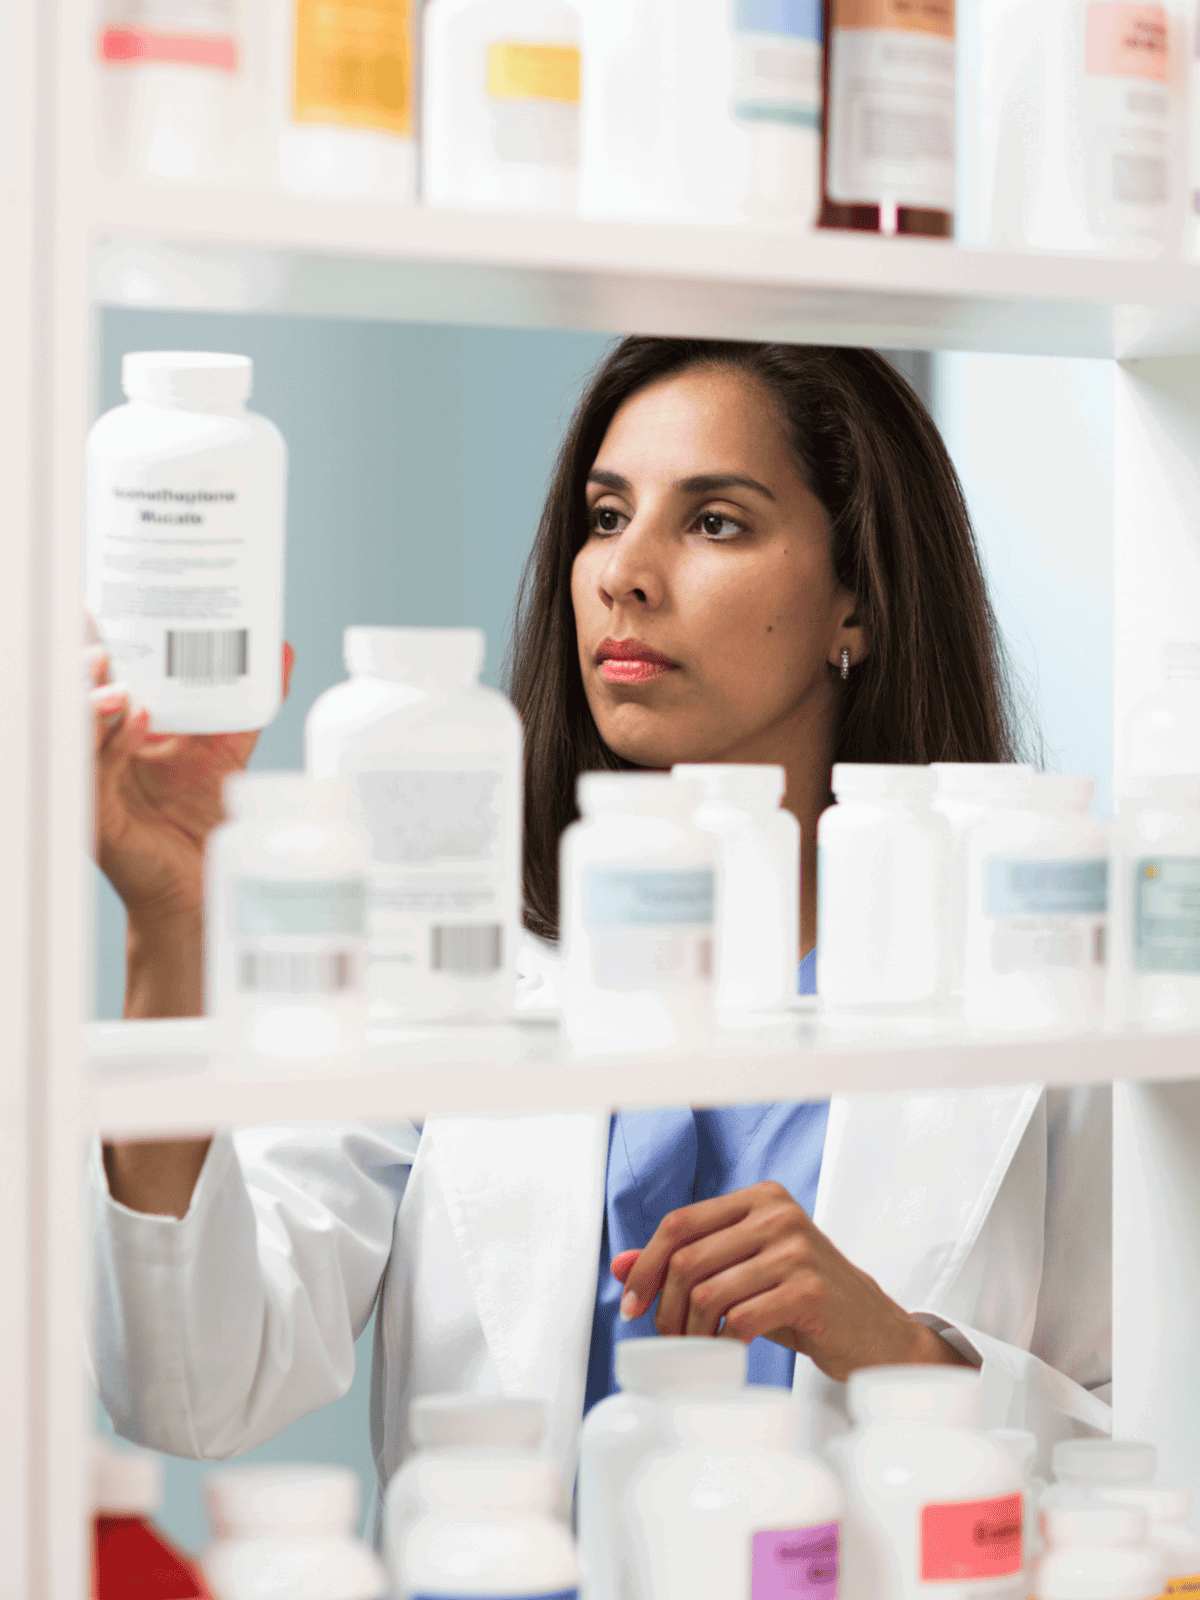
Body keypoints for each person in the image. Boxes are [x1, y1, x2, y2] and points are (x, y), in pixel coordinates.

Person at [88, 339, 1111, 1515]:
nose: (623, 572)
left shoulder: (1039, 986)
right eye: (607, 514)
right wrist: (168, 916)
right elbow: (195, 1386)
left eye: (716, 522)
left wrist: (900, 1351)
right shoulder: (454, 958)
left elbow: (1144, 1448)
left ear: (858, 600)